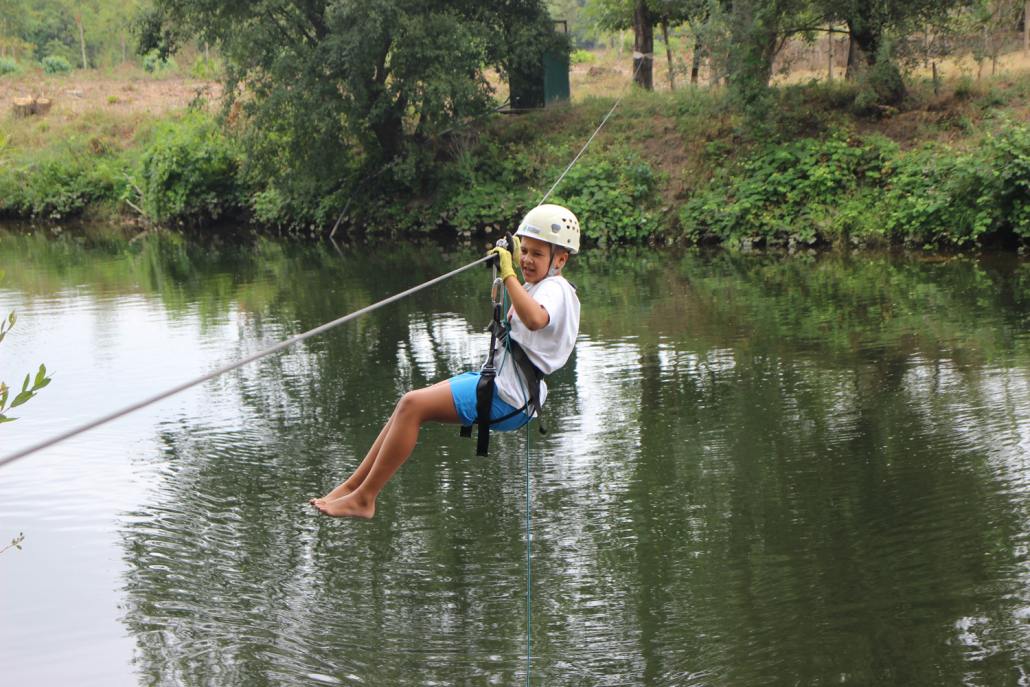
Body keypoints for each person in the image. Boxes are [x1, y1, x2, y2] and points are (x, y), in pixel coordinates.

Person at [310, 204, 582, 518]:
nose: (526, 260)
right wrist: (514, 262)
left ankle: (365, 498)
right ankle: (353, 487)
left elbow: (535, 319)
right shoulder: (541, 285)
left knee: (413, 405)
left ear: (560, 260)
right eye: (525, 251)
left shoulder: (557, 290)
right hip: (499, 384)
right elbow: (526, 306)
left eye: (537, 254)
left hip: (508, 397)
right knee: (406, 406)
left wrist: (508, 274)